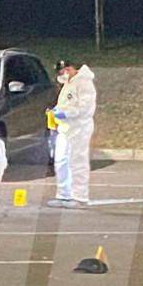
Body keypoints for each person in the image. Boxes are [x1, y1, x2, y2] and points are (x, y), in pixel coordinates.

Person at [48, 60, 97, 209]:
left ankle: (80, 197)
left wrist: (65, 114)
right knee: (61, 160)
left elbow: (85, 108)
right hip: (66, 128)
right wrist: (55, 112)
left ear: (69, 69)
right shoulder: (69, 83)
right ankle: (64, 195)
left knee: (77, 161)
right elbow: (64, 104)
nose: (61, 76)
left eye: (62, 72)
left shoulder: (84, 83)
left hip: (79, 127)